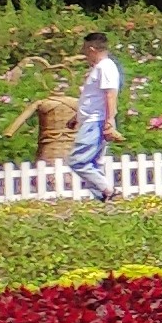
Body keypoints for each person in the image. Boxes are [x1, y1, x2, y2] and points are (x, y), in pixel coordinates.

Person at [63, 29, 121, 201]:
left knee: (78, 161)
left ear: (92, 49)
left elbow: (110, 95)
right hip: (91, 120)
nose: (84, 55)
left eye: (85, 50)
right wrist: (76, 117)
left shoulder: (106, 67)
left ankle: (109, 190)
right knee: (93, 163)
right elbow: (92, 97)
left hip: (96, 121)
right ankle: (105, 200)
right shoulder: (99, 68)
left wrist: (109, 121)